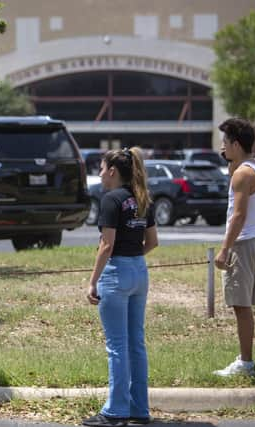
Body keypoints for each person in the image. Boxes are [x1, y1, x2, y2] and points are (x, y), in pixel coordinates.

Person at [83, 147, 158, 427]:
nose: (100, 173)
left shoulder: (111, 199)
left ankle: (115, 411)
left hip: (116, 272)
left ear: (112, 171)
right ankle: (140, 409)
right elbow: (152, 242)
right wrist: (132, 258)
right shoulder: (142, 198)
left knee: (117, 346)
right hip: (139, 270)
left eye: (101, 168)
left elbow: (106, 245)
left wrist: (92, 281)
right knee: (135, 343)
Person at [213, 118, 255, 377]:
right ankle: (245, 359)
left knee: (241, 307)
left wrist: (225, 248)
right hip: (254, 241)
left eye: (225, 142)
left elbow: (238, 215)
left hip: (242, 243)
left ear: (236, 143)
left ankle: (246, 363)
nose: (222, 146)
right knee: (243, 306)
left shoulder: (242, 174)